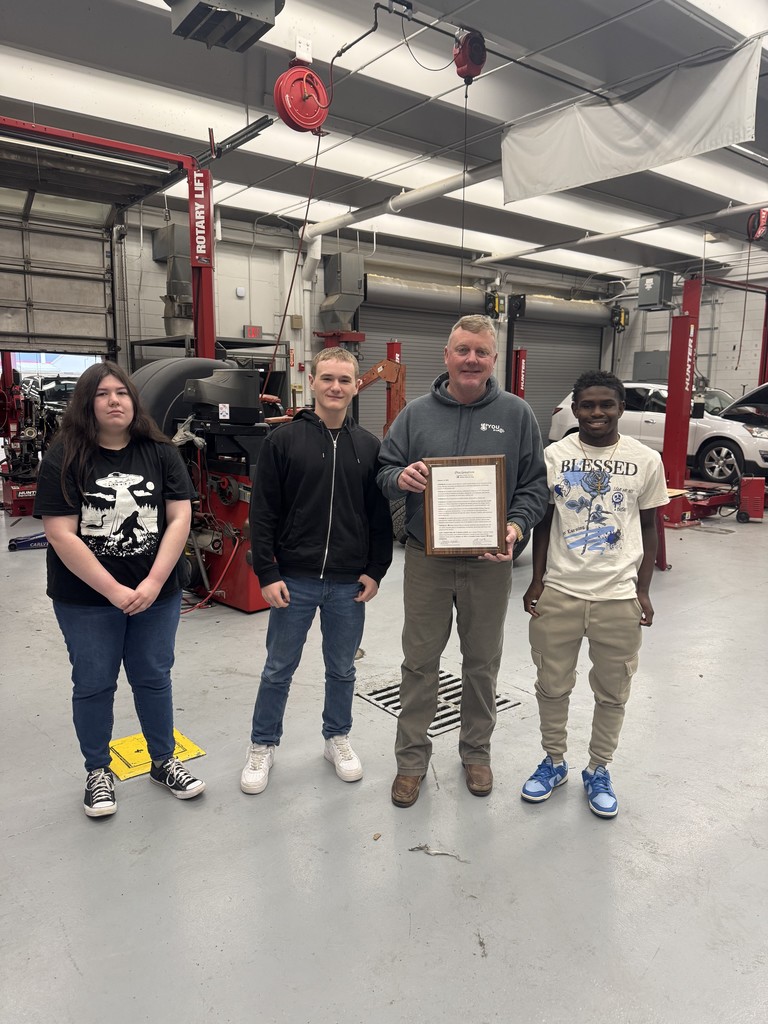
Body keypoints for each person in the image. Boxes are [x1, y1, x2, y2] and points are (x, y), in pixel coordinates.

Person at [377, 314, 549, 807]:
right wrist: (399, 479)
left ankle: (476, 752)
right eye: (462, 350)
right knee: (419, 661)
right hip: (427, 558)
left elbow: (534, 486)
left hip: (489, 561)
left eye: (481, 351)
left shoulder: (517, 415)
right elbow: (385, 469)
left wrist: (515, 527)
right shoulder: (414, 413)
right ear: (446, 356)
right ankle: (411, 761)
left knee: (481, 662)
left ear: (493, 359)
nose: (471, 359)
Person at [34, 361, 205, 819]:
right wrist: (113, 590)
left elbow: (179, 518)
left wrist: (152, 582)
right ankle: (98, 771)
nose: (115, 400)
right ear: (86, 404)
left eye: (122, 393)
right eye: (103, 393)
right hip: (86, 600)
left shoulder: (161, 452)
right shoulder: (64, 456)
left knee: (153, 678)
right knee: (93, 684)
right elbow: (61, 533)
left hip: (157, 595)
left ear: (134, 401)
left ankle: (163, 761)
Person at [241, 347, 393, 795]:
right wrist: (267, 572)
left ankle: (337, 738)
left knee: (342, 668)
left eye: (344, 380)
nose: (335, 387)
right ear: (314, 384)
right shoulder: (283, 441)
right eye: (327, 378)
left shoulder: (368, 446)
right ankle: (263, 745)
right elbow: (263, 511)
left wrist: (376, 570)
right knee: (278, 669)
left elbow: (378, 516)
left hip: (348, 582)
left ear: (355, 386)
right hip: (296, 579)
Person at [521, 369, 668, 818]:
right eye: (588, 405)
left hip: (618, 597)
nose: (597, 413)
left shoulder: (646, 460)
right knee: (551, 685)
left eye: (607, 404)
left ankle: (598, 768)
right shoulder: (554, 455)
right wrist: (536, 578)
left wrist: (643, 590)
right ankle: (553, 761)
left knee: (613, 691)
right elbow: (545, 522)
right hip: (560, 592)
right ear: (576, 409)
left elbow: (649, 525)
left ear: (621, 408)